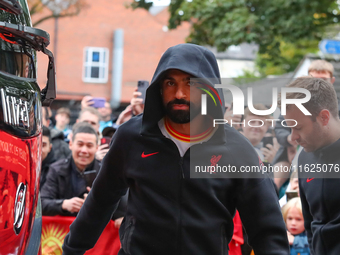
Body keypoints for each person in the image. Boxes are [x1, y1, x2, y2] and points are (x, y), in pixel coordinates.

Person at [62, 43, 289, 255]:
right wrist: (71, 250)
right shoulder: (131, 137)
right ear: (160, 88)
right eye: (171, 83)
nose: (179, 93)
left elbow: (266, 227)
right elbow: (100, 201)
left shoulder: (237, 149)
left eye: (189, 83)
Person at [282, 77, 340, 254]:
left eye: (298, 127)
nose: (293, 137)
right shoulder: (304, 158)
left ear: (324, 117)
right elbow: (311, 225)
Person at [41, 122, 100, 216]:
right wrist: (63, 204)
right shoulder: (56, 169)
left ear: (97, 148)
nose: (84, 151)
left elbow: (120, 207)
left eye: (89, 146)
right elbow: (42, 203)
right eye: (80, 144)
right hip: (61, 229)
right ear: (71, 144)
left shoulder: (105, 172)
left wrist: (99, 203)